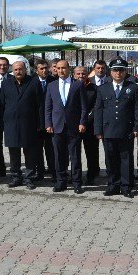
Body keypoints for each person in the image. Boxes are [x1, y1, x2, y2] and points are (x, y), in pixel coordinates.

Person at [93, 57, 138, 197]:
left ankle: (126, 186)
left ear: (125, 72)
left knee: (126, 158)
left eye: (121, 70)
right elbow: (98, 110)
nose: (118, 73)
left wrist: (137, 128)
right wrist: (98, 130)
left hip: (126, 130)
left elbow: (137, 109)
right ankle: (113, 184)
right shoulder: (103, 88)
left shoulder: (133, 88)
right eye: (115, 70)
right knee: (110, 159)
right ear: (110, 72)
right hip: (108, 130)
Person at [44, 59, 88, 193]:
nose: (61, 71)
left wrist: (82, 122)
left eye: (63, 68)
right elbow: (48, 107)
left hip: (74, 126)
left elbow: (84, 107)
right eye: (58, 68)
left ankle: (76, 183)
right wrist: (48, 123)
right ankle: (61, 182)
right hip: (57, 127)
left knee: (75, 156)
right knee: (59, 156)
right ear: (55, 70)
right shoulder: (51, 86)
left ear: (69, 69)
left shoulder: (77, 85)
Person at [0, 59, 42, 188]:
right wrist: (2, 122)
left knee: (29, 153)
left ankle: (29, 178)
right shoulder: (6, 83)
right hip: (11, 124)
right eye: (16, 69)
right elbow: (2, 104)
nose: (18, 71)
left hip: (29, 124)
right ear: (12, 70)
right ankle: (16, 177)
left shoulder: (34, 82)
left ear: (25, 70)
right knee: (14, 153)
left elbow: (40, 104)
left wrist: (40, 123)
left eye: (21, 69)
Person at [30, 59, 57, 181]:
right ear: (37, 70)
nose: (44, 70)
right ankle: (39, 172)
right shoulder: (32, 82)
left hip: (51, 122)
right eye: (41, 68)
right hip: (36, 123)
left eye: (46, 68)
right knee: (37, 149)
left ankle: (53, 172)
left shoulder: (54, 81)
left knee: (51, 149)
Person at [82, 61, 107, 184]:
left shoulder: (110, 81)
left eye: (103, 68)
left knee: (109, 149)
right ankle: (92, 173)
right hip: (90, 123)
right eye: (98, 68)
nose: (100, 70)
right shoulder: (88, 81)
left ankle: (111, 173)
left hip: (107, 121)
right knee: (91, 149)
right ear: (94, 69)